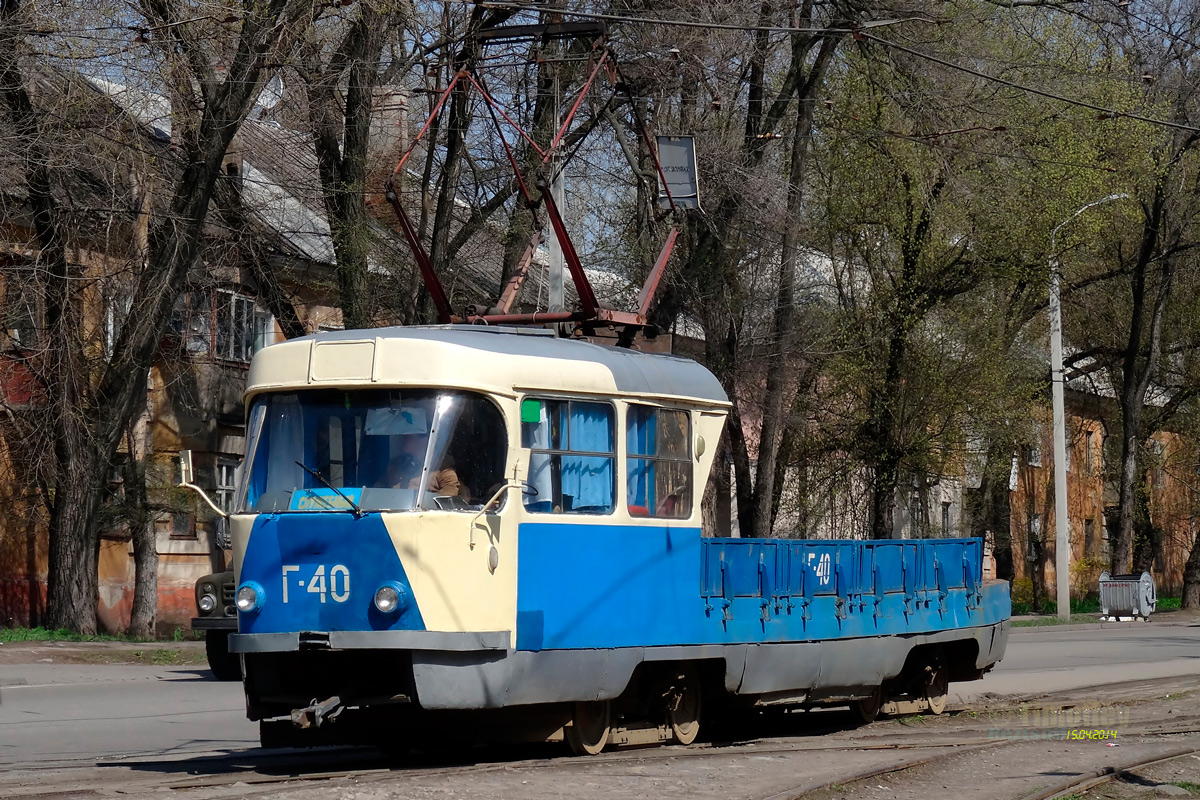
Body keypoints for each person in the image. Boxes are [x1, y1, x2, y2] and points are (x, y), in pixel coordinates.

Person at [387, 433, 460, 497]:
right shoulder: (397, 465)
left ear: (424, 441)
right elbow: (381, 487)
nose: (403, 440)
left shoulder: (444, 473)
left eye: (408, 437)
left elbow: (447, 500)